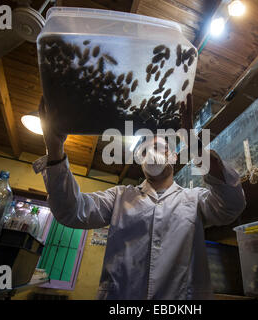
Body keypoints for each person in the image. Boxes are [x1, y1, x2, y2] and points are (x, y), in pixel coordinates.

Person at [33, 94, 246, 299]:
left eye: (159, 147)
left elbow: (232, 204)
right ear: (140, 160)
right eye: (145, 151)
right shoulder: (119, 197)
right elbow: (71, 211)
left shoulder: (195, 200)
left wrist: (193, 143)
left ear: (173, 156)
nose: (151, 153)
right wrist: (54, 147)